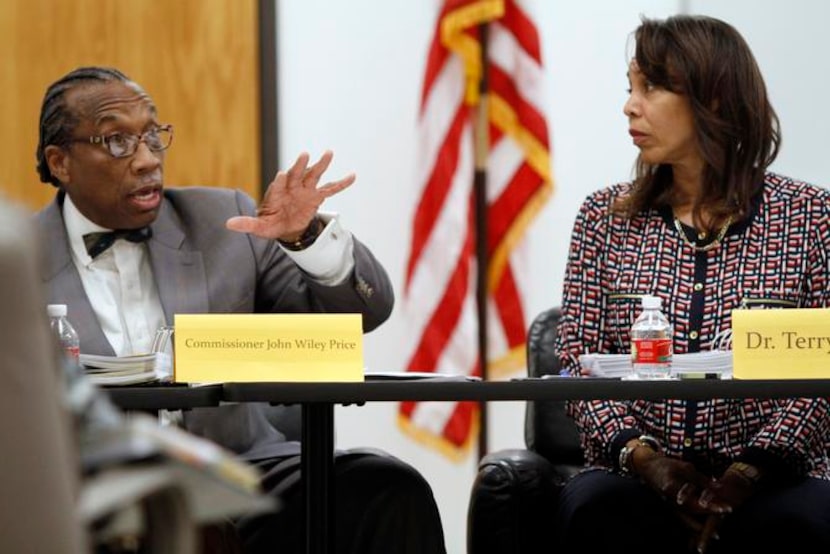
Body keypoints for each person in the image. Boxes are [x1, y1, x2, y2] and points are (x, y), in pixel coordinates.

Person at [33, 66, 446, 554]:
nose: (146, 160)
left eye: (152, 135)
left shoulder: (221, 221)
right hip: (96, 491)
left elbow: (362, 313)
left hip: (242, 472)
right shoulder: (18, 261)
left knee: (388, 488)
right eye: (118, 142)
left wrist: (304, 237)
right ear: (60, 162)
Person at [552, 15, 830, 554]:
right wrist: (647, 460)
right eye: (629, 88)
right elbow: (574, 356)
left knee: (795, 528)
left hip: (780, 474)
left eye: (650, 87)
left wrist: (748, 474)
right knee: (597, 514)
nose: (630, 106)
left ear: (716, 99)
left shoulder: (812, 218)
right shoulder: (603, 219)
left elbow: (822, 373)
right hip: (630, 472)